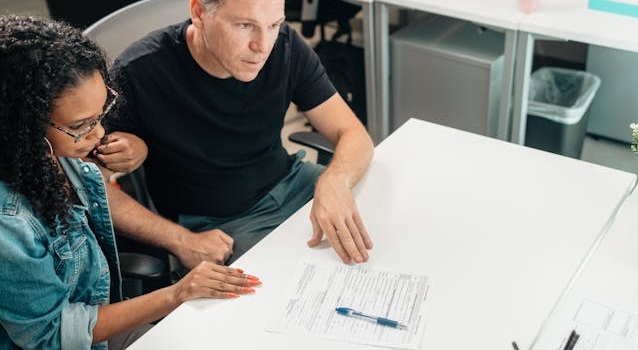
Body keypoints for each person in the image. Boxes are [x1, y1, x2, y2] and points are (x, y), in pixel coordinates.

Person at [0, 15, 260, 349]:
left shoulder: (54, 155)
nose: (99, 133)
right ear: (22, 126)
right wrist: (176, 294)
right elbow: (51, 335)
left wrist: (129, 152)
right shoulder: (9, 222)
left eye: (101, 113)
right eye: (80, 125)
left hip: (100, 322)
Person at [106, 0, 375, 264]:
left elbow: (352, 132)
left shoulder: (286, 45)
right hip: (218, 225)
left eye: (273, 25)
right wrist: (180, 240)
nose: (262, 46)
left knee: (380, 227)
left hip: (293, 183)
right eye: (245, 25)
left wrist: (335, 181)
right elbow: (89, 186)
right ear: (199, 12)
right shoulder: (138, 71)